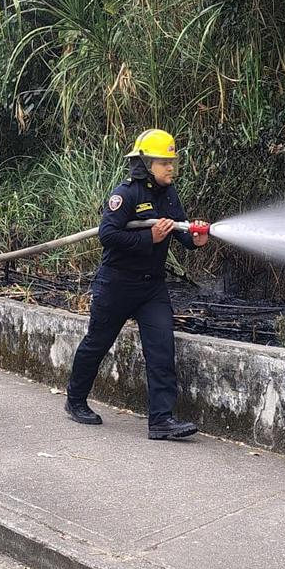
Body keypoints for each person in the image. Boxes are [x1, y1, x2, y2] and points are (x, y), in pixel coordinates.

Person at [65, 128, 210, 439]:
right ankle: (75, 400)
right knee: (97, 344)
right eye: (163, 162)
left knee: (161, 350)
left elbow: (182, 233)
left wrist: (196, 240)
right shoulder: (125, 195)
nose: (171, 167)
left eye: (172, 162)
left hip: (151, 288)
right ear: (146, 164)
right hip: (117, 284)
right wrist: (150, 238)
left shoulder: (169, 195)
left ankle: (161, 420)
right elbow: (108, 235)